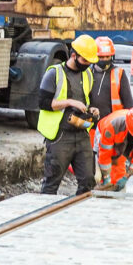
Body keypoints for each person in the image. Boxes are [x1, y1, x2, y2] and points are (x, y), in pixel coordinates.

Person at [38, 35, 99, 195]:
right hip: (60, 137)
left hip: (81, 133)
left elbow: (88, 100)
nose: (88, 65)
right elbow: (43, 103)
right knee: (52, 182)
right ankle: (45, 216)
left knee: (87, 181)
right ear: (74, 56)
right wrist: (70, 102)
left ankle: (78, 215)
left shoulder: (87, 75)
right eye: (85, 61)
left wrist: (92, 109)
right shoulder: (54, 74)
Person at [96, 107, 133, 193]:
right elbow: (105, 155)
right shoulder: (111, 128)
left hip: (128, 143)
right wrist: (106, 177)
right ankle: (102, 194)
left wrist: (127, 176)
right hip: (107, 136)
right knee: (102, 174)